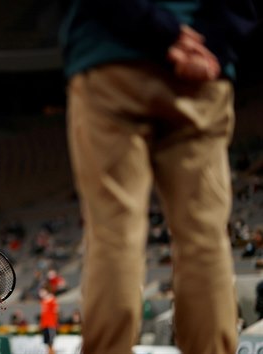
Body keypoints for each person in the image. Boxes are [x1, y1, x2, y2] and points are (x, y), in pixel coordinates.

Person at [60, 1, 258, 353]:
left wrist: (161, 32)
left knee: (114, 235)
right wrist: (209, 40)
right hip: (202, 69)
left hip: (112, 53)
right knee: (204, 239)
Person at [39, 286, 58, 354]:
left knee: (51, 343)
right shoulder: (43, 301)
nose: (40, 293)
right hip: (44, 325)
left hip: (50, 324)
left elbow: (55, 311)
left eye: (42, 291)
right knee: (47, 343)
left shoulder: (52, 299)